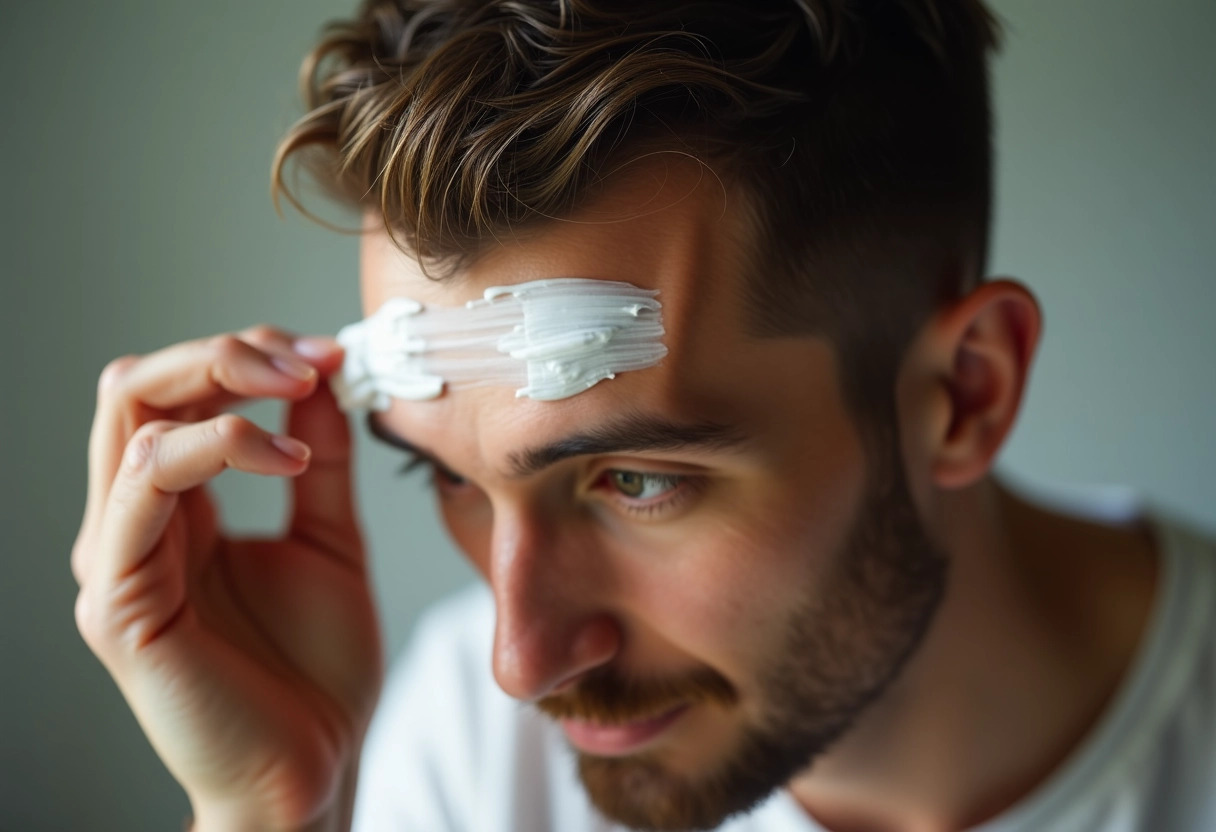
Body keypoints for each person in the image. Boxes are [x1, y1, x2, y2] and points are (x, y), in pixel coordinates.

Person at [71, 1, 1216, 830]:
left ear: (964, 392)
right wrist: (269, 814)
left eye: (637, 480)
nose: (520, 661)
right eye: (450, 479)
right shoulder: (467, 757)